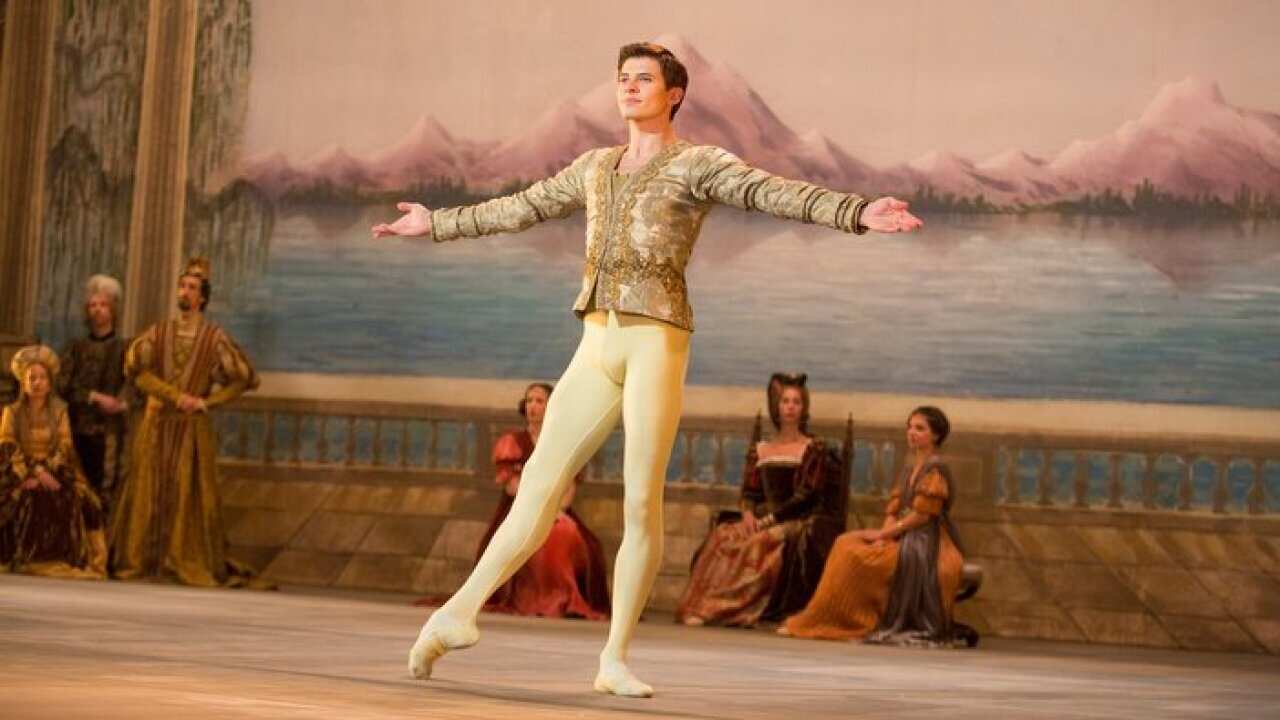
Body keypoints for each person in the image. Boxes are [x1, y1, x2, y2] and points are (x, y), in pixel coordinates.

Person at [372, 41, 922, 696]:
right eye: (622, 79)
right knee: (537, 489)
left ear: (675, 94)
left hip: (656, 341)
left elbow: (770, 191)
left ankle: (614, 657)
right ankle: (455, 613)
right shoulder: (593, 167)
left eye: (644, 79)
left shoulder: (697, 164)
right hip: (596, 343)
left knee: (640, 499)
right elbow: (517, 207)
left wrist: (855, 212)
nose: (629, 88)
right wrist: (435, 224)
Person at [110, 258, 263, 587]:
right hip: (156, 423)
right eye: (181, 286)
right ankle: (141, 561)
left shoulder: (214, 339)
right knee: (146, 491)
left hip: (191, 428)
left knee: (186, 495)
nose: (184, 292)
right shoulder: (158, 332)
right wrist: (172, 395)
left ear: (203, 298)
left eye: (191, 288)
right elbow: (136, 370)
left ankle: (179, 560)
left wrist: (208, 402)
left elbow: (246, 379)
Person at [780, 406, 966, 647]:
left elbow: (921, 516)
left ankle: (855, 621)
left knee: (858, 556)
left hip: (925, 542)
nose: (912, 432)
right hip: (901, 533)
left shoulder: (936, 468)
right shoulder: (910, 468)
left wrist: (885, 534)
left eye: (920, 428)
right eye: (910, 427)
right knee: (845, 542)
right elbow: (894, 509)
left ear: (936, 435)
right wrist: (883, 536)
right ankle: (823, 618)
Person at [675, 373, 845, 626]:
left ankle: (734, 609)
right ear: (776, 406)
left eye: (796, 402)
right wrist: (747, 515)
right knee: (725, 536)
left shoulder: (813, 447)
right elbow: (749, 492)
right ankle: (706, 607)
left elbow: (806, 496)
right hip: (763, 516)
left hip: (796, 519)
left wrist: (768, 520)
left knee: (760, 542)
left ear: (803, 407)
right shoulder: (762, 449)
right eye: (785, 401)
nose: (790, 407)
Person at [472, 382, 611, 619]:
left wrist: (556, 511)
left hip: (557, 511)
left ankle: (566, 599)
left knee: (571, 536)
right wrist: (536, 511)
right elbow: (513, 488)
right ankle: (537, 600)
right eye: (529, 401)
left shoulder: (564, 443)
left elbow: (568, 489)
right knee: (525, 537)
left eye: (539, 401)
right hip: (519, 510)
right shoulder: (513, 443)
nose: (533, 407)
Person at [0, 345, 107, 579]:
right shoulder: (12, 411)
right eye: (32, 378)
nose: (37, 383)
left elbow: (65, 445)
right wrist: (33, 473)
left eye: (42, 378)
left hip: (55, 469)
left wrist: (50, 472)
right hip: (19, 470)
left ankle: (63, 558)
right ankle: (18, 556)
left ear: (50, 382)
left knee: (80, 499)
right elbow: (8, 445)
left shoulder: (60, 410)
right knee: (18, 497)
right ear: (23, 383)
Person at [57, 274, 131, 519]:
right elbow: (62, 386)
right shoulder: (75, 347)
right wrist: (95, 397)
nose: (98, 310)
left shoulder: (125, 348)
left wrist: (121, 403)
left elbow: (134, 384)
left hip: (110, 432)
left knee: (106, 490)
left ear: (113, 309)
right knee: (75, 488)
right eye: (93, 305)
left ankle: (102, 549)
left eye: (103, 305)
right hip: (76, 427)